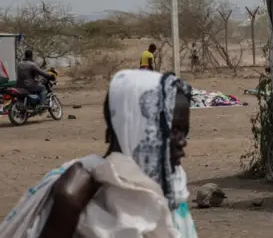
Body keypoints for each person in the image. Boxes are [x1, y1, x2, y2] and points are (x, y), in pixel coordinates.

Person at [0, 70, 197, 238]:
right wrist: (63, 214)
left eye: (184, 131)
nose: (183, 141)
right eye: (173, 130)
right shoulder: (75, 196)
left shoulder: (172, 190)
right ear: (136, 127)